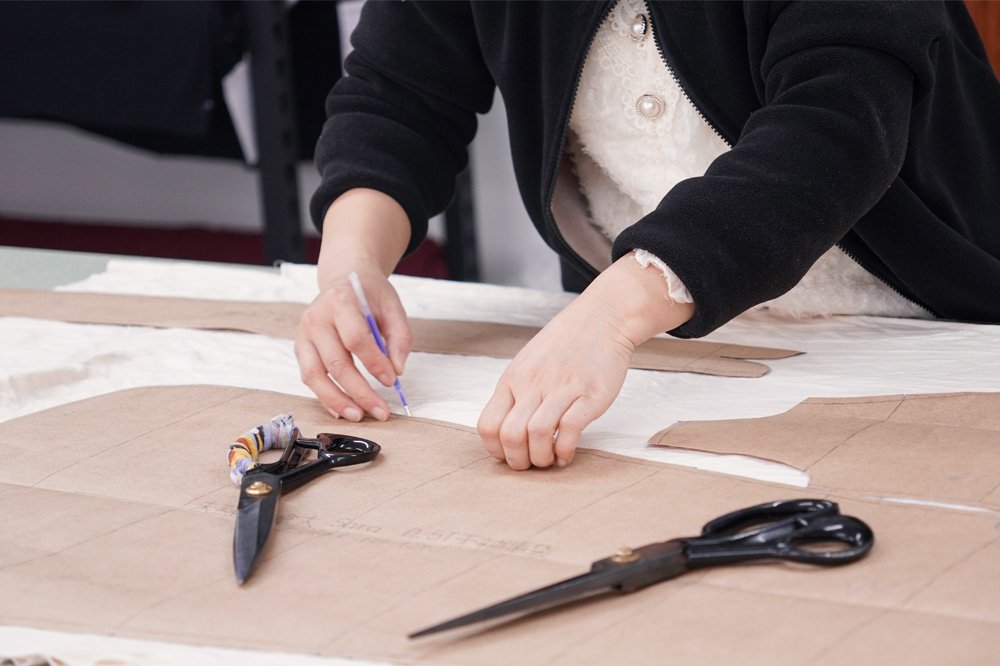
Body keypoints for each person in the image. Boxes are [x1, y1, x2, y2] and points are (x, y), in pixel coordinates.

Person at [295, 1, 1000, 471]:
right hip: (643, 352)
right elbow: (400, 97)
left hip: (908, 327)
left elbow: (835, 128)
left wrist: (614, 309)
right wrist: (350, 267)